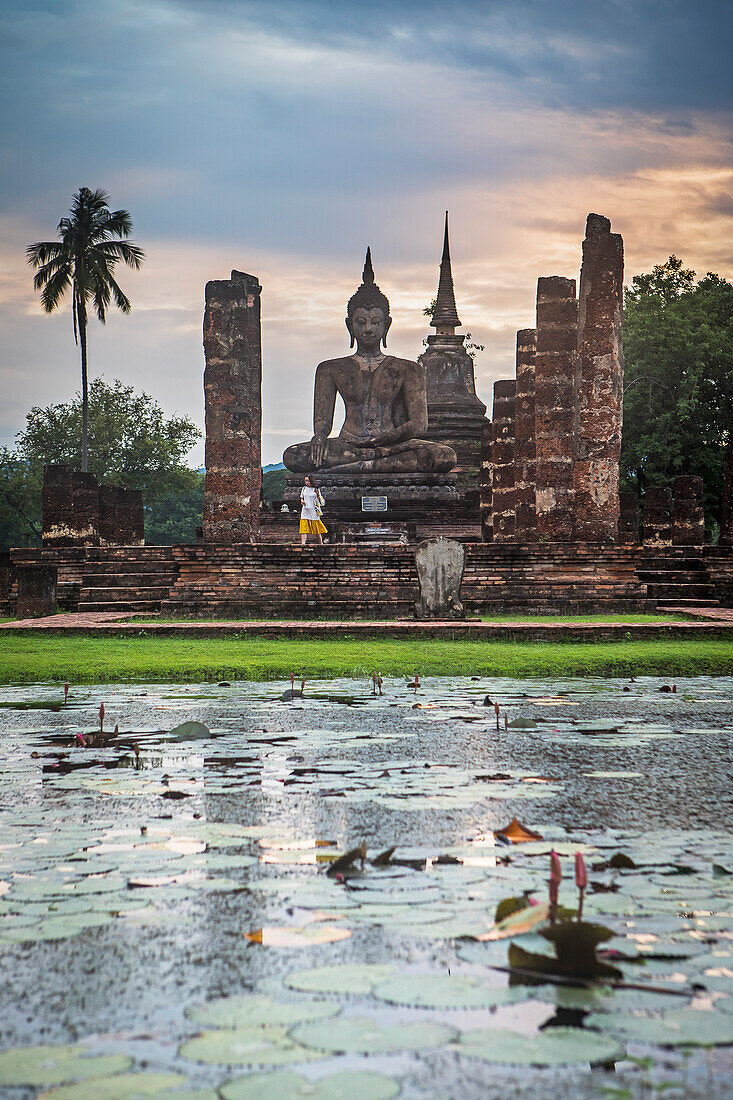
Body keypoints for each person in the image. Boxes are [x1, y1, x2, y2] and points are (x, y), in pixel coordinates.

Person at [299, 475, 327, 546]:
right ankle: (303, 544)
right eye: (305, 481)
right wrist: (302, 501)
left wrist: (318, 495)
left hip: (313, 510)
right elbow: (302, 497)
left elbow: (321, 501)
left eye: (308, 481)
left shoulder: (315, 489)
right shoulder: (304, 488)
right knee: (303, 527)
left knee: (316, 528)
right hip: (305, 510)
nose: (306, 482)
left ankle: (320, 542)